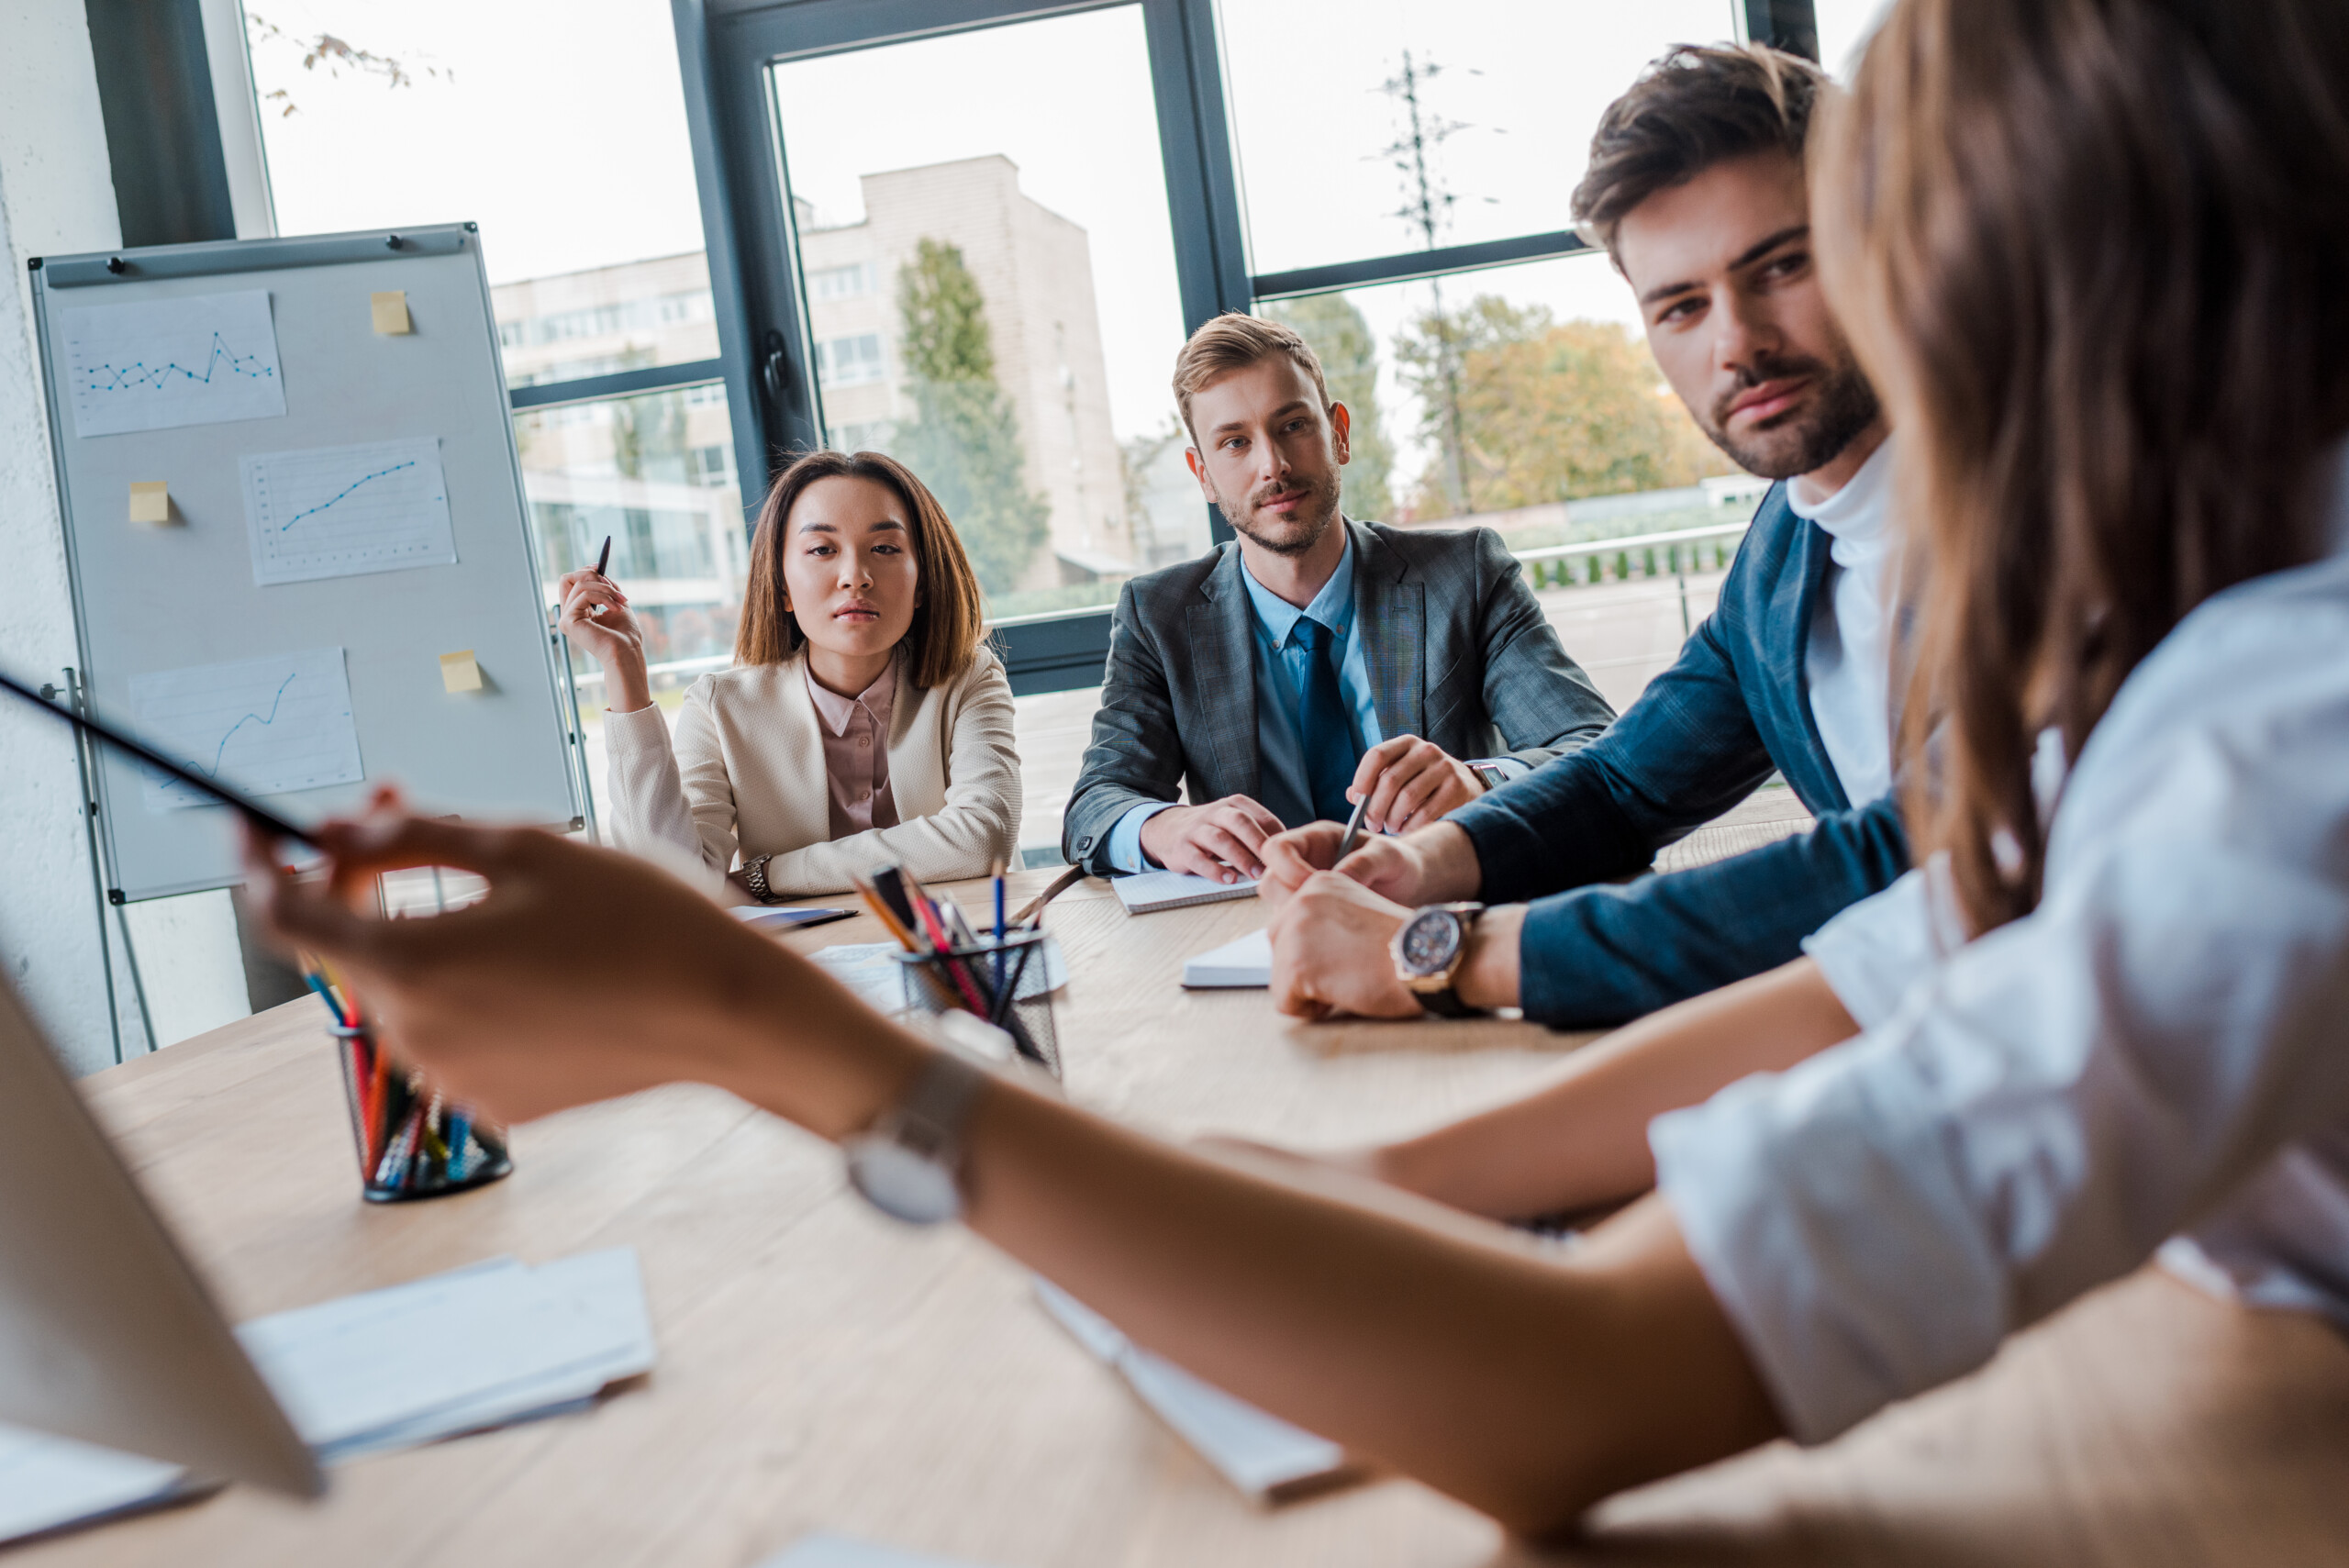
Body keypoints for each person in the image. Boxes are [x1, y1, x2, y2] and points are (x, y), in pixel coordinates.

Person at [250, 0, 2349, 1533]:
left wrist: (753, 1025)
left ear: (2062, 296)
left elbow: (1571, 1395)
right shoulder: (2210, 651)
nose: (1779, 343)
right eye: (1685, 301)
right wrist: (1328, 1183)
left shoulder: (2274, 734)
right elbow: (1907, 955)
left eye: (1851, 262)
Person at [1261, 43, 1910, 1028]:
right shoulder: (1786, 544)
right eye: (1680, 306)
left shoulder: (2039, 507)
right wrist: (1408, 865)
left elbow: (1904, 862)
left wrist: (1447, 954)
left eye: (1780, 265)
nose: (1735, 342)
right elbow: (1621, 784)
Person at [1058, 313, 1613, 884]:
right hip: (1259, 936)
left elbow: (1593, 747)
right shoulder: (1159, 616)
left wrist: (1481, 781)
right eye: (1235, 443)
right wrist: (1163, 828)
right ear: (1202, 474)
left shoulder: (1465, 575)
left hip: (1447, 910)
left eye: (1293, 425)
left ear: (1338, 432)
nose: (1271, 464)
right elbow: (1096, 805)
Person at [555, 449, 1018, 901]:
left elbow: (983, 838)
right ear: (781, 588)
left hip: (956, 957)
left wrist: (769, 876)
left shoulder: (970, 679)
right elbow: (669, 888)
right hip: (804, 967)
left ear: (923, 583)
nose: (855, 576)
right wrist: (625, 667)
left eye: (884, 548)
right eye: (821, 549)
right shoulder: (720, 708)